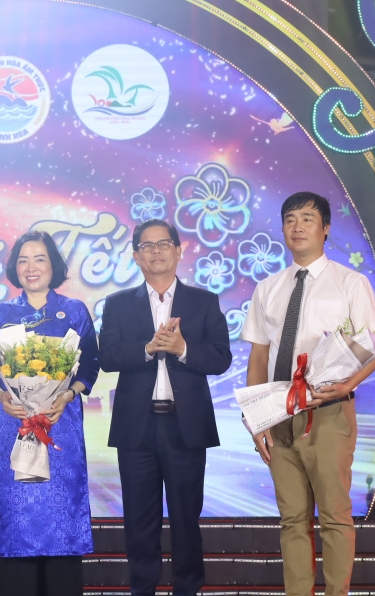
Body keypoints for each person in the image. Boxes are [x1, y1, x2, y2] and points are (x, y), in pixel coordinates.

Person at [240, 192, 375, 596]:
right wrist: (256, 418)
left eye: (308, 218)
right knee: (292, 519)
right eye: (290, 219)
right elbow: (259, 356)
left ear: (325, 229)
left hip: (328, 413)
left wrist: (349, 384)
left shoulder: (349, 283)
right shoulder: (268, 288)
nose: (298, 226)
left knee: (336, 516)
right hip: (279, 414)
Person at [99, 218, 232, 596]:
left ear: (178, 249)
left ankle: (188, 589)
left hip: (185, 426)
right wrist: (148, 347)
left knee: (186, 518)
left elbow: (221, 358)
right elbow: (107, 356)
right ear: (136, 256)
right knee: (140, 520)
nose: (155, 252)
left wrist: (182, 349)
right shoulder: (119, 304)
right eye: (147, 246)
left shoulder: (203, 302)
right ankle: (142, 588)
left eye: (163, 244)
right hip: (136, 428)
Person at [0, 231, 100, 596]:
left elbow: (89, 366)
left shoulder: (74, 311)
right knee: (15, 515)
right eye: (23, 260)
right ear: (14, 267)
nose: (31, 267)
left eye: (39, 258)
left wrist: (68, 395)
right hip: (14, 425)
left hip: (60, 425)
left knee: (61, 513)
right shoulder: (0, 313)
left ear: (53, 265)